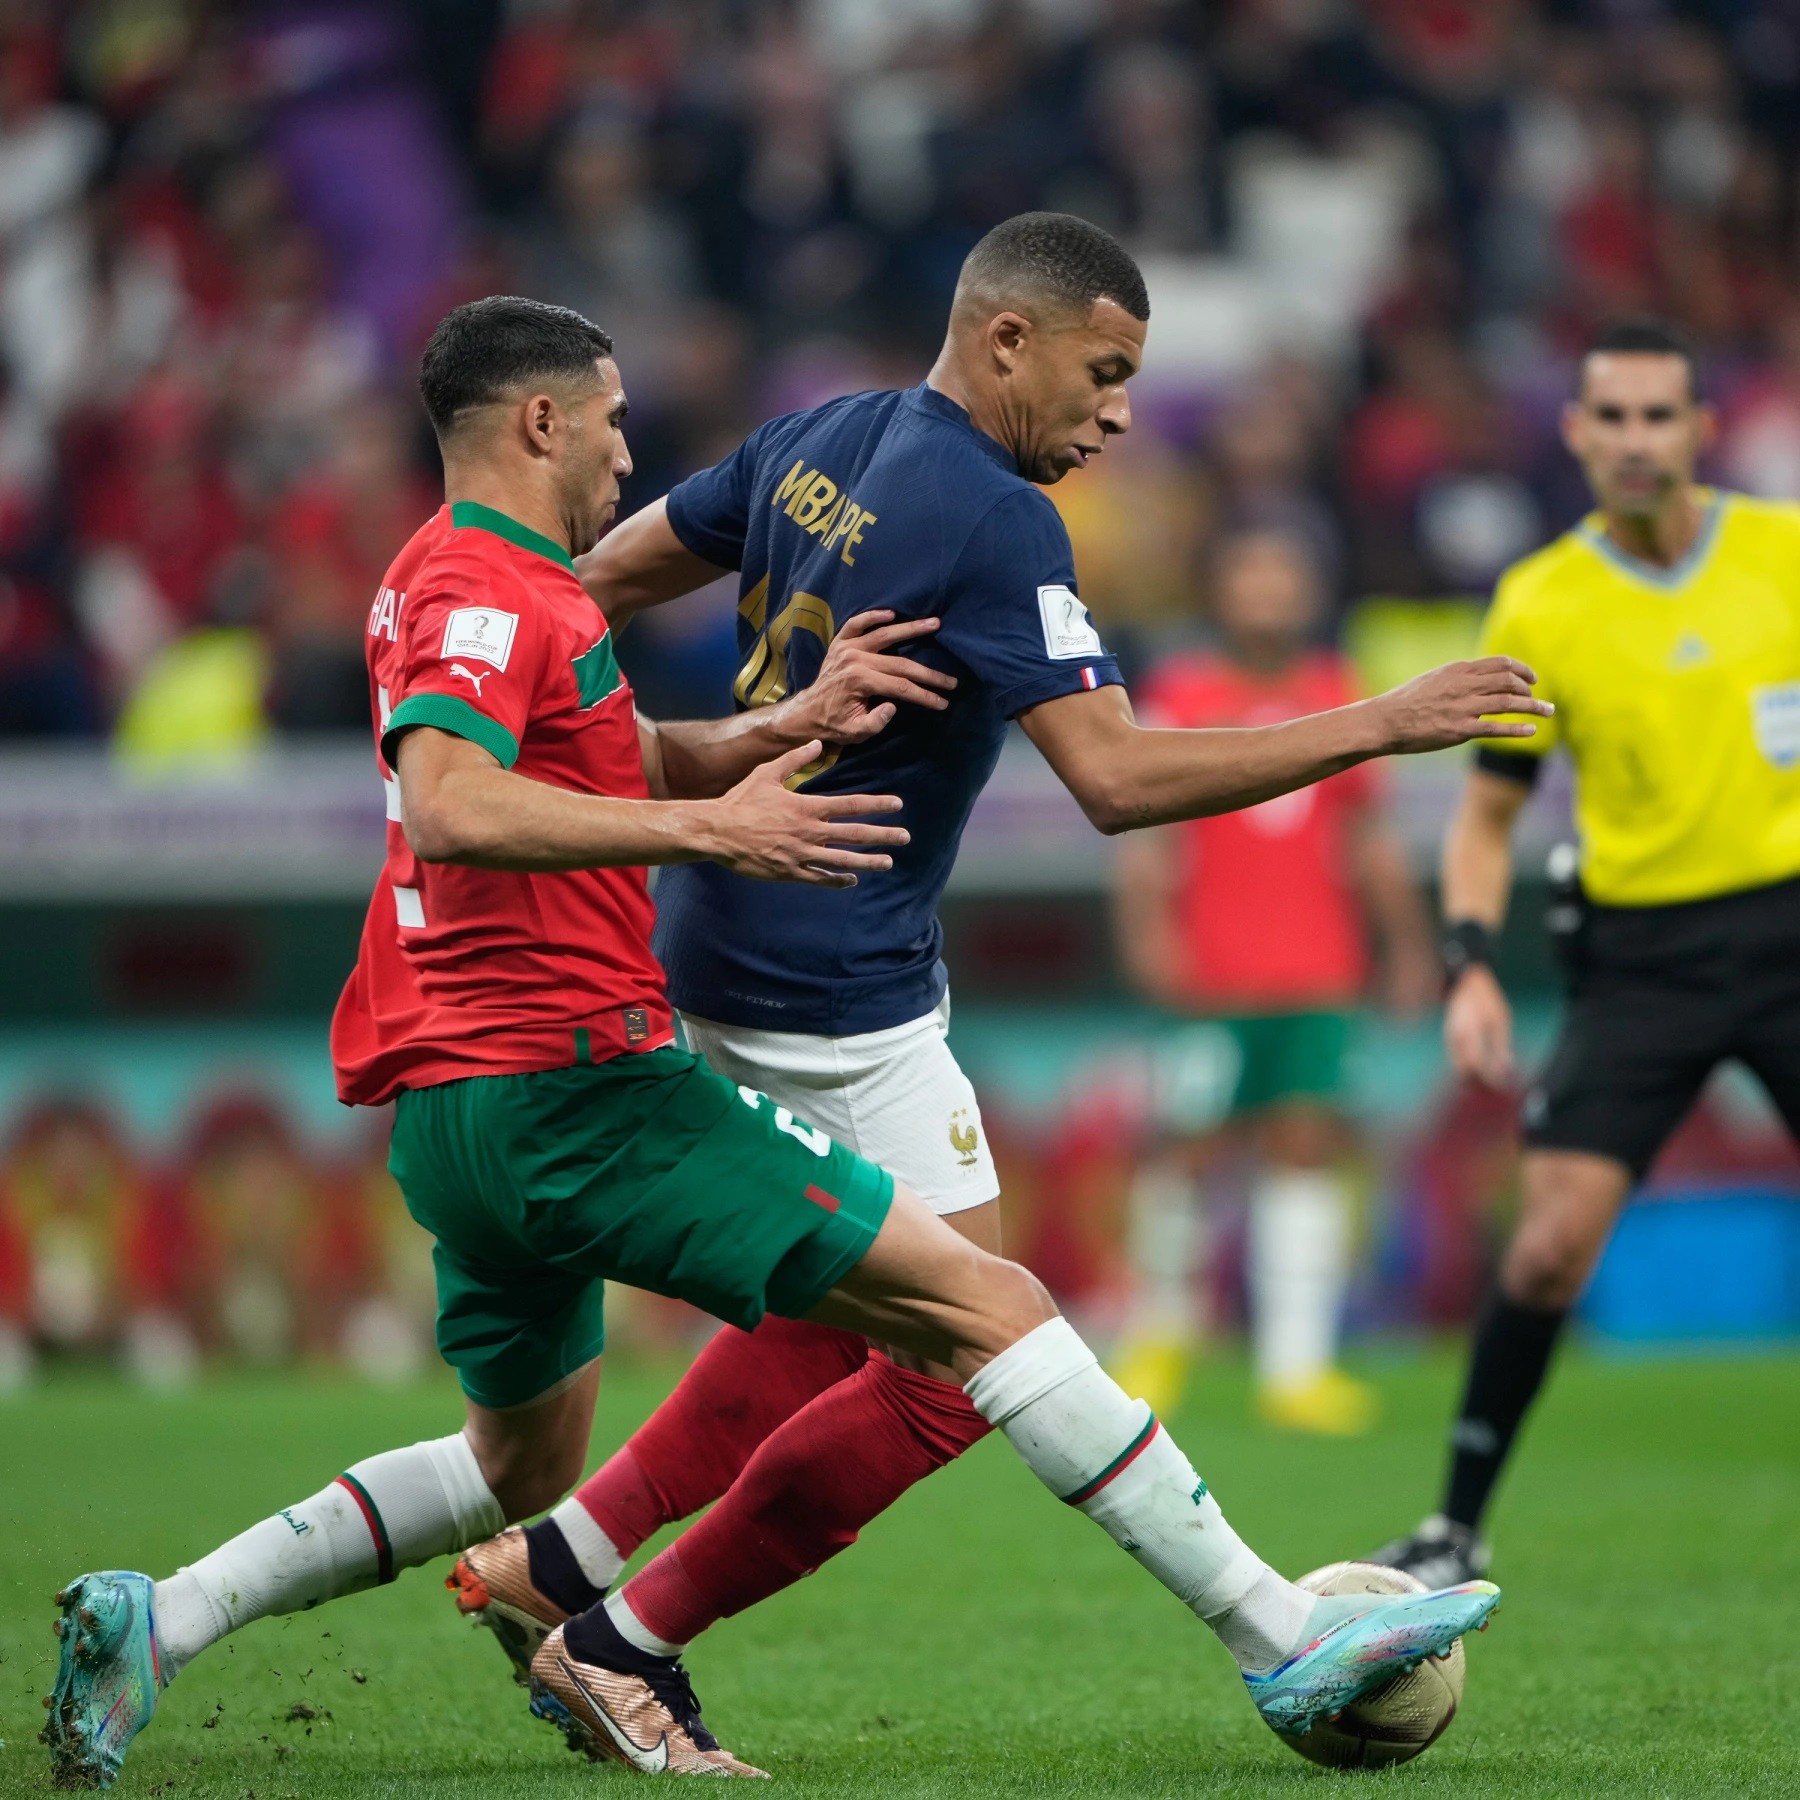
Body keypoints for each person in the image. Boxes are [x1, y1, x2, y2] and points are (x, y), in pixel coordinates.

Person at [46, 294, 1508, 1789]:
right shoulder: (508, 594)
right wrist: (714, 825)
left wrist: (758, 734)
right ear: (540, 422)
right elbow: (451, 799)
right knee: (987, 1317)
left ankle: (166, 1618)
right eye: (611, 420)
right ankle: (1277, 1639)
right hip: (585, 1085)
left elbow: (581, 743)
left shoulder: (479, 577)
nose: (630, 453)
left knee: (522, 1465)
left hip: (450, 1100)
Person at [435, 219, 1536, 1761]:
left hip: (728, 943)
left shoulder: (819, 434)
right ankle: (628, 1639)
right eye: (1105, 373)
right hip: (841, 994)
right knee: (966, 1366)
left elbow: (591, 586)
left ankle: (557, 1564)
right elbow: (1118, 778)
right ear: (1007, 341)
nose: (1122, 414)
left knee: (848, 1328)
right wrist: (1380, 722)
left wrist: (516, 735)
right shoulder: (998, 518)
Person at [1373, 315, 1800, 1587]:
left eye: (1657, 414)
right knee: (1551, 1241)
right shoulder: (1542, 598)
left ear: (1699, 428)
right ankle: (1453, 1527)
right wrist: (1470, 964)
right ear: (1575, 432)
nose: (1633, 439)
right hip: (1643, 958)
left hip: (1789, 929)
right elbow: (1489, 817)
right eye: (1608, 416)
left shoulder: (1782, 555)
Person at [1110, 528, 1437, 1435]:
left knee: (1305, 1149)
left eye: (1283, 572)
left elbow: (1369, 839)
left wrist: (1407, 946)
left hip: (1317, 971)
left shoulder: (1338, 693)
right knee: (1186, 1150)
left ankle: (1297, 1365)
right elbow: (1146, 826)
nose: (1267, 590)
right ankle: (1160, 1336)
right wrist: (1147, 932)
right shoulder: (1182, 693)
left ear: (1307, 591)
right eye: (1251, 571)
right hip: (1213, 974)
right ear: (1220, 592)